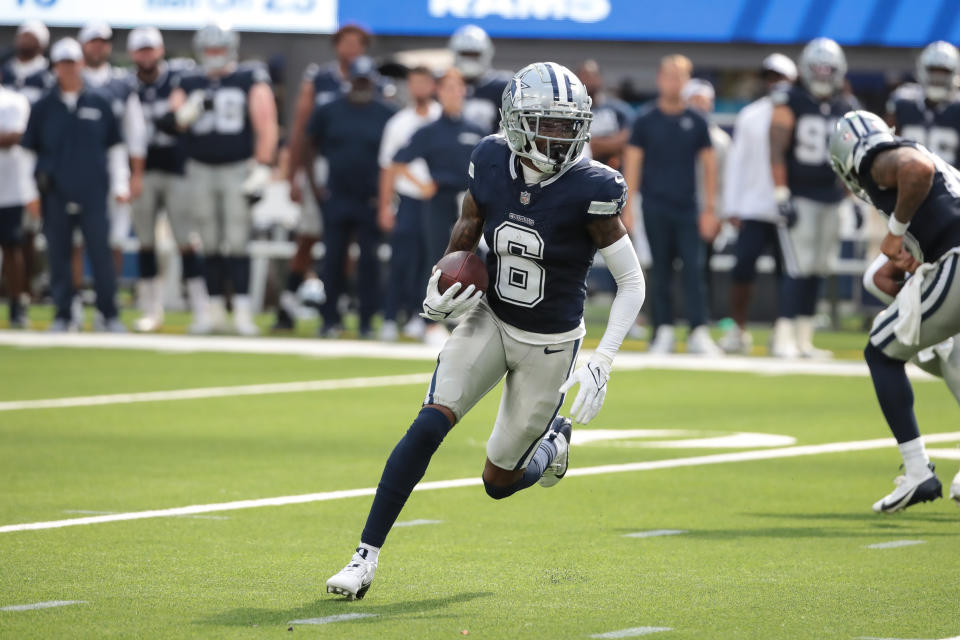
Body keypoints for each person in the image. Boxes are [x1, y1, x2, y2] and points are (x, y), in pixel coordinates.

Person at [325, 61, 645, 601]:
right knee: (428, 424)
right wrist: (442, 276)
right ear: (517, 122)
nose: (563, 135)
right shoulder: (491, 159)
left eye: (571, 124)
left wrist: (603, 358)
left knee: (497, 483)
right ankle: (363, 558)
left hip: (550, 342)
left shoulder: (593, 186)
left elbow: (631, 281)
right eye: (549, 122)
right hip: (490, 317)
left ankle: (550, 450)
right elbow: (468, 229)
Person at [828, 109, 960, 511]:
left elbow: (915, 169)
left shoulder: (878, 157)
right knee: (950, 352)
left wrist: (895, 233)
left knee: (881, 352)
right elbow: (880, 278)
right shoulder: (929, 161)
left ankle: (917, 470)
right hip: (949, 260)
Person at [168, 24, 278, 335]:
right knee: (209, 242)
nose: (214, 56)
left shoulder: (249, 77)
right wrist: (184, 113)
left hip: (236, 168)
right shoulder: (188, 80)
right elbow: (172, 121)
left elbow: (266, 122)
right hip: (199, 168)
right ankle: (213, 310)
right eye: (209, 49)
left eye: (219, 49)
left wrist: (263, 164)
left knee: (238, 240)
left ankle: (242, 311)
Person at [275, 24, 378, 331]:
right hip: (320, 166)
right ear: (336, 45)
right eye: (345, 42)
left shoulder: (372, 81)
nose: (350, 48)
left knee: (347, 244)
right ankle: (288, 304)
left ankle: (338, 306)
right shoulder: (320, 79)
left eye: (356, 43)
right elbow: (301, 130)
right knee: (310, 236)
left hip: (358, 174)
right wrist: (292, 173)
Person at [21, 38, 125, 332]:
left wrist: (121, 183)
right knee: (59, 253)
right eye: (62, 63)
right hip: (54, 189)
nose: (68, 69)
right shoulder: (43, 106)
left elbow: (115, 147)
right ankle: (64, 313)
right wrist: (30, 193)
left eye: (72, 62)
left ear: (81, 63)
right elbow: (29, 152)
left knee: (100, 252)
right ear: (55, 67)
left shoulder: (99, 101)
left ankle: (108, 313)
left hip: (93, 189)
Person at [622, 54, 720, 355]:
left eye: (681, 76)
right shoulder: (646, 120)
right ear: (659, 79)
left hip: (688, 208)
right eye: (669, 76)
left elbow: (708, 166)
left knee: (694, 269)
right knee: (659, 271)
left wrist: (710, 209)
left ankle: (698, 330)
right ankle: (661, 330)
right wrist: (627, 207)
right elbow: (633, 163)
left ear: (687, 81)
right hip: (654, 206)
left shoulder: (697, 121)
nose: (674, 82)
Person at [769, 38, 857, 359]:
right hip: (800, 195)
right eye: (817, 68)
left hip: (832, 197)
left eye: (827, 69)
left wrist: (850, 195)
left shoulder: (846, 105)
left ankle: (804, 339)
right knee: (798, 269)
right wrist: (781, 193)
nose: (822, 75)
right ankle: (783, 337)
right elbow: (776, 147)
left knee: (819, 269)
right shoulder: (790, 99)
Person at [391, 69, 487, 346]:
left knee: (473, 255)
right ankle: (429, 321)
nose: (453, 93)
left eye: (457, 87)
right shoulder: (429, 131)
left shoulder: (476, 130)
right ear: (439, 92)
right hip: (439, 199)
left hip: (470, 201)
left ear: (463, 91)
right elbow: (398, 161)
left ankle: (468, 314)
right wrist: (423, 186)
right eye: (447, 88)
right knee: (437, 257)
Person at [305, 56, 395, 338]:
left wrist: (385, 198)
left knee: (369, 261)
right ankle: (329, 318)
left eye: (366, 81)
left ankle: (367, 320)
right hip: (337, 194)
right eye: (358, 80)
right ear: (349, 81)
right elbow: (309, 145)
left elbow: (393, 159)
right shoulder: (330, 110)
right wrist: (315, 185)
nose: (361, 86)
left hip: (369, 198)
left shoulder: (386, 113)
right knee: (332, 259)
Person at [127, 27, 208, 333]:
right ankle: (151, 310)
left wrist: (178, 116)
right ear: (133, 54)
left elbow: (189, 113)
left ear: (161, 51)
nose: (146, 55)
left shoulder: (179, 78)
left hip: (177, 168)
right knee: (146, 243)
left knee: (186, 241)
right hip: (142, 171)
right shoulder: (125, 85)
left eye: (151, 49)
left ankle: (201, 309)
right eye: (141, 50)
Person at [719, 54, 797, 354]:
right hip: (753, 207)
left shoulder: (797, 113)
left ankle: (783, 333)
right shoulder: (751, 114)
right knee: (742, 271)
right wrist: (732, 207)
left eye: (780, 77)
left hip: (786, 211)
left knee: (787, 275)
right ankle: (738, 331)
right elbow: (738, 162)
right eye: (771, 77)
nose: (774, 83)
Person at [77, 22, 147, 302]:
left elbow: (136, 131)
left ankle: (109, 295)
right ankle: (76, 295)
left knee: (115, 237)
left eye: (104, 41)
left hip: (114, 167)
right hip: (77, 169)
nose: (99, 46)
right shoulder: (70, 78)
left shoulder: (122, 84)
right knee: (76, 236)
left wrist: (136, 173)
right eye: (94, 41)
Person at [376, 66, 440, 342]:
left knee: (431, 261)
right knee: (402, 259)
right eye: (414, 83)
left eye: (424, 82)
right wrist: (384, 205)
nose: (419, 88)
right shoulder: (399, 122)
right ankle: (390, 316)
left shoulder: (442, 119)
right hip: (410, 199)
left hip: (439, 198)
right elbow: (389, 166)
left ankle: (420, 315)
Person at [2, 21, 54, 313]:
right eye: (22, 35)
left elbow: (22, 134)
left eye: (31, 36)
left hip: (27, 165)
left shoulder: (47, 76)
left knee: (26, 234)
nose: (25, 40)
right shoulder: (9, 70)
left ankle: (29, 290)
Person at [886, 41, 960, 167]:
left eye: (943, 73)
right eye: (933, 72)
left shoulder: (957, 108)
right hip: (908, 180)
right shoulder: (903, 102)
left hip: (952, 183)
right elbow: (886, 145)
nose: (937, 79)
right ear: (923, 71)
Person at [0, 72, 35, 328]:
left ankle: (17, 306)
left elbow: (16, 137)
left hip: (9, 189)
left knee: (13, 249)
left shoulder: (14, 101)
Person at [448, 24, 511, 134]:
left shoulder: (502, 86)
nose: (469, 60)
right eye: (465, 54)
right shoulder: (444, 85)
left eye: (474, 54)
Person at [577, 59, 634, 170]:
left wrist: (592, 145)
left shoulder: (619, 109)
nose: (588, 80)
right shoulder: (571, 112)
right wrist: (610, 143)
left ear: (600, 79)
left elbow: (629, 139)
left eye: (592, 76)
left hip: (614, 170)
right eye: (584, 76)